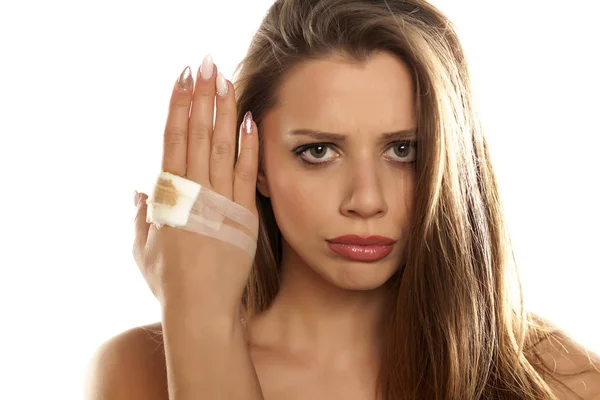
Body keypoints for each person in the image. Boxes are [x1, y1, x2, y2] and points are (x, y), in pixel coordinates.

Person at [84, 0, 600, 399]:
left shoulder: (560, 380)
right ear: (256, 163)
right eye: (318, 151)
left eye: (403, 150)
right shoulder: (138, 372)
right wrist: (200, 315)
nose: (366, 200)